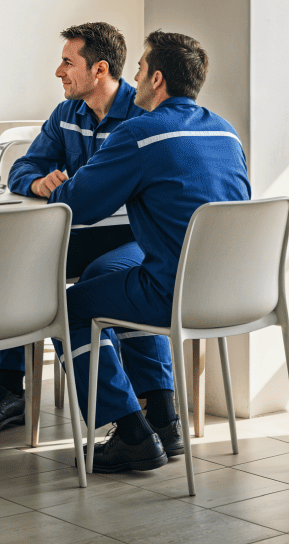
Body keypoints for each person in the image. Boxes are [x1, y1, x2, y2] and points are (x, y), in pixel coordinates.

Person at [48, 31, 250, 472]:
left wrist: (54, 184)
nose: (133, 77)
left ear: (156, 79)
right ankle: (164, 419)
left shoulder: (139, 133)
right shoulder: (226, 131)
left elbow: (76, 204)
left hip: (174, 294)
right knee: (119, 284)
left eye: (138, 69)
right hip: (239, 296)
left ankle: (133, 433)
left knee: (65, 309)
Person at [0, 23, 173, 433]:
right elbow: (23, 167)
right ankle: (10, 391)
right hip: (76, 235)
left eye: (67, 62)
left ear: (99, 69)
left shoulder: (141, 116)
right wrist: (37, 182)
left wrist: (68, 192)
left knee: (103, 280)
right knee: (16, 268)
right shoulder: (67, 114)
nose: (59, 72)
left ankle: (147, 412)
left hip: (133, 239)